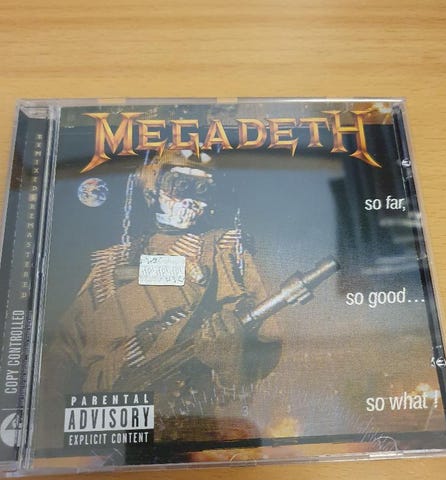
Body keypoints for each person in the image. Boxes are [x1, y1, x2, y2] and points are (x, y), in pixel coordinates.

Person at [42, 150, 281, 444]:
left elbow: (264, 341)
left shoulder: (224, 251)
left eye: (202, 189)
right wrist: (51, 424)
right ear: (152, 188)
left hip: (188, 416)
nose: (191, 198)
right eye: (179, 185)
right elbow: (64, 349)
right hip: (109, 418)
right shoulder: (112, 263)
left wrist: (231, 363)